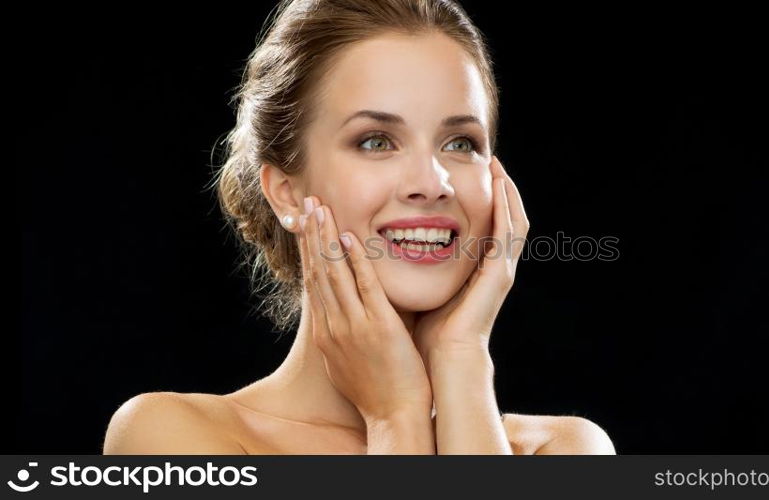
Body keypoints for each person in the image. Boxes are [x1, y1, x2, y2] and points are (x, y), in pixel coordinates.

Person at [103, 0, 615, 454]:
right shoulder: (173, 436)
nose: (432, 183)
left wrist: (462, 360)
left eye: (460, 143)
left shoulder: (567, 450)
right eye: (375, 141)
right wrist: (396, 417)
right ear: (286, 191)